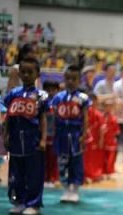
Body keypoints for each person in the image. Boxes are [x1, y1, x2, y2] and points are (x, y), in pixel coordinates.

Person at [2, 57, 48, 215]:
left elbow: (42, 119)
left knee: (34, 173)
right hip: (15, 140)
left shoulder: (41, 96)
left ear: (37, 74)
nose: (26, 75)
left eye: (30, 72)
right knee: (16, 174)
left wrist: (43, 139)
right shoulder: (13, 94)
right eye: (23, 72)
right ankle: (19, 201)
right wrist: (5, 135)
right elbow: (8, 116)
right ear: (19, 73)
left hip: (32, 140)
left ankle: (33, 204)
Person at [50, 65, 91, 203]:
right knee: (62, 161)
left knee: (76, 161)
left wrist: (84, 134)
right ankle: (66, 187)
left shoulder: (83, 98)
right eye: (68, 78)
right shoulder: (58, 98)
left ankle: (75, 188)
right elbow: (54, 117)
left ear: (79, 80)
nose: (70, 81)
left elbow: (85, 117)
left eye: (74, 79)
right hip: (61, 134)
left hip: (75, 134)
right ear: (64, 79)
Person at [83, 93, 105, 183]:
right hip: (86, 140)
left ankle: (95, 174)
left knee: (96, 158)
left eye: (94, 101)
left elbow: (102, 128)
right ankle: (86, 175)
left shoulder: (99, 114)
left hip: (95, 140)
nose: (92, 103)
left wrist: (101, 140)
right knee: (86, 158)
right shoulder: (85, 113)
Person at [42, 79, 60, 188]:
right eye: (48, 90)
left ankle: (53, 178)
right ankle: (44, 178)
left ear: (57, 90)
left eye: (53, 90)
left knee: (54, 158)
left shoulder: (59, 103)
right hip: (44, 136)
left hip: (56, 136)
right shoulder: (42, 103)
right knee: (44, 159)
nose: (50, 92)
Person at [102, 99, 120, 179]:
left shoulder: (114, 119)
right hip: (102, 141)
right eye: (106, 106)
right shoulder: (101, 117)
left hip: (111, 142)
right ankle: (103, 172)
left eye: (110, 106)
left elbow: (117, 131)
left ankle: (109, 172)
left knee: (110, 158)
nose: (108, 108)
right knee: (103, 157)